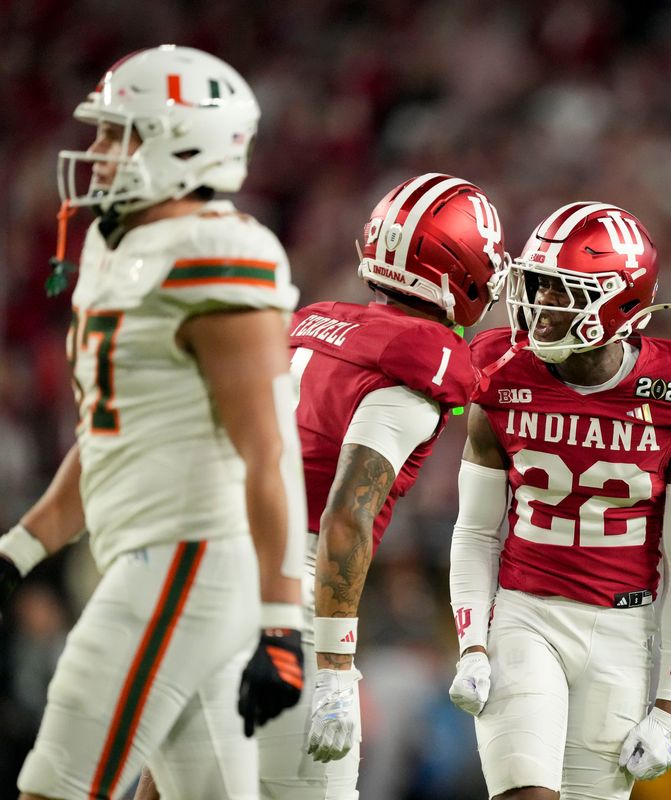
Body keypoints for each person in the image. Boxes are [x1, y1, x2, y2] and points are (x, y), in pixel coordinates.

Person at [0, 45, 307, 800]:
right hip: (153, 554)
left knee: (55, 786)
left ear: (183, 142)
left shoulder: (217, 251)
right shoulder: (118, 244)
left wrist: (282, 623)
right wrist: (16, 552)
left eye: (117, 134)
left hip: (188, 559)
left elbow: (270, 452)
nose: (98, 154)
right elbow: (109, 437)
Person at [447, 201, 671, 800]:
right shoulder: (498, 371)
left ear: (620, 303)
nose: (540, 307)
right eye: (538, 284)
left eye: (562, 291)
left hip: (623, 632)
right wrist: (474, 643)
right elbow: (477, 530)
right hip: (525, 616)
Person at [254, 172, 508, 799]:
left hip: (214, 573)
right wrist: (336, 671)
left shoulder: (317, 321)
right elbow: (346, 515)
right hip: (293, 599)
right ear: (463, 270)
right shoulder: (417, 361)